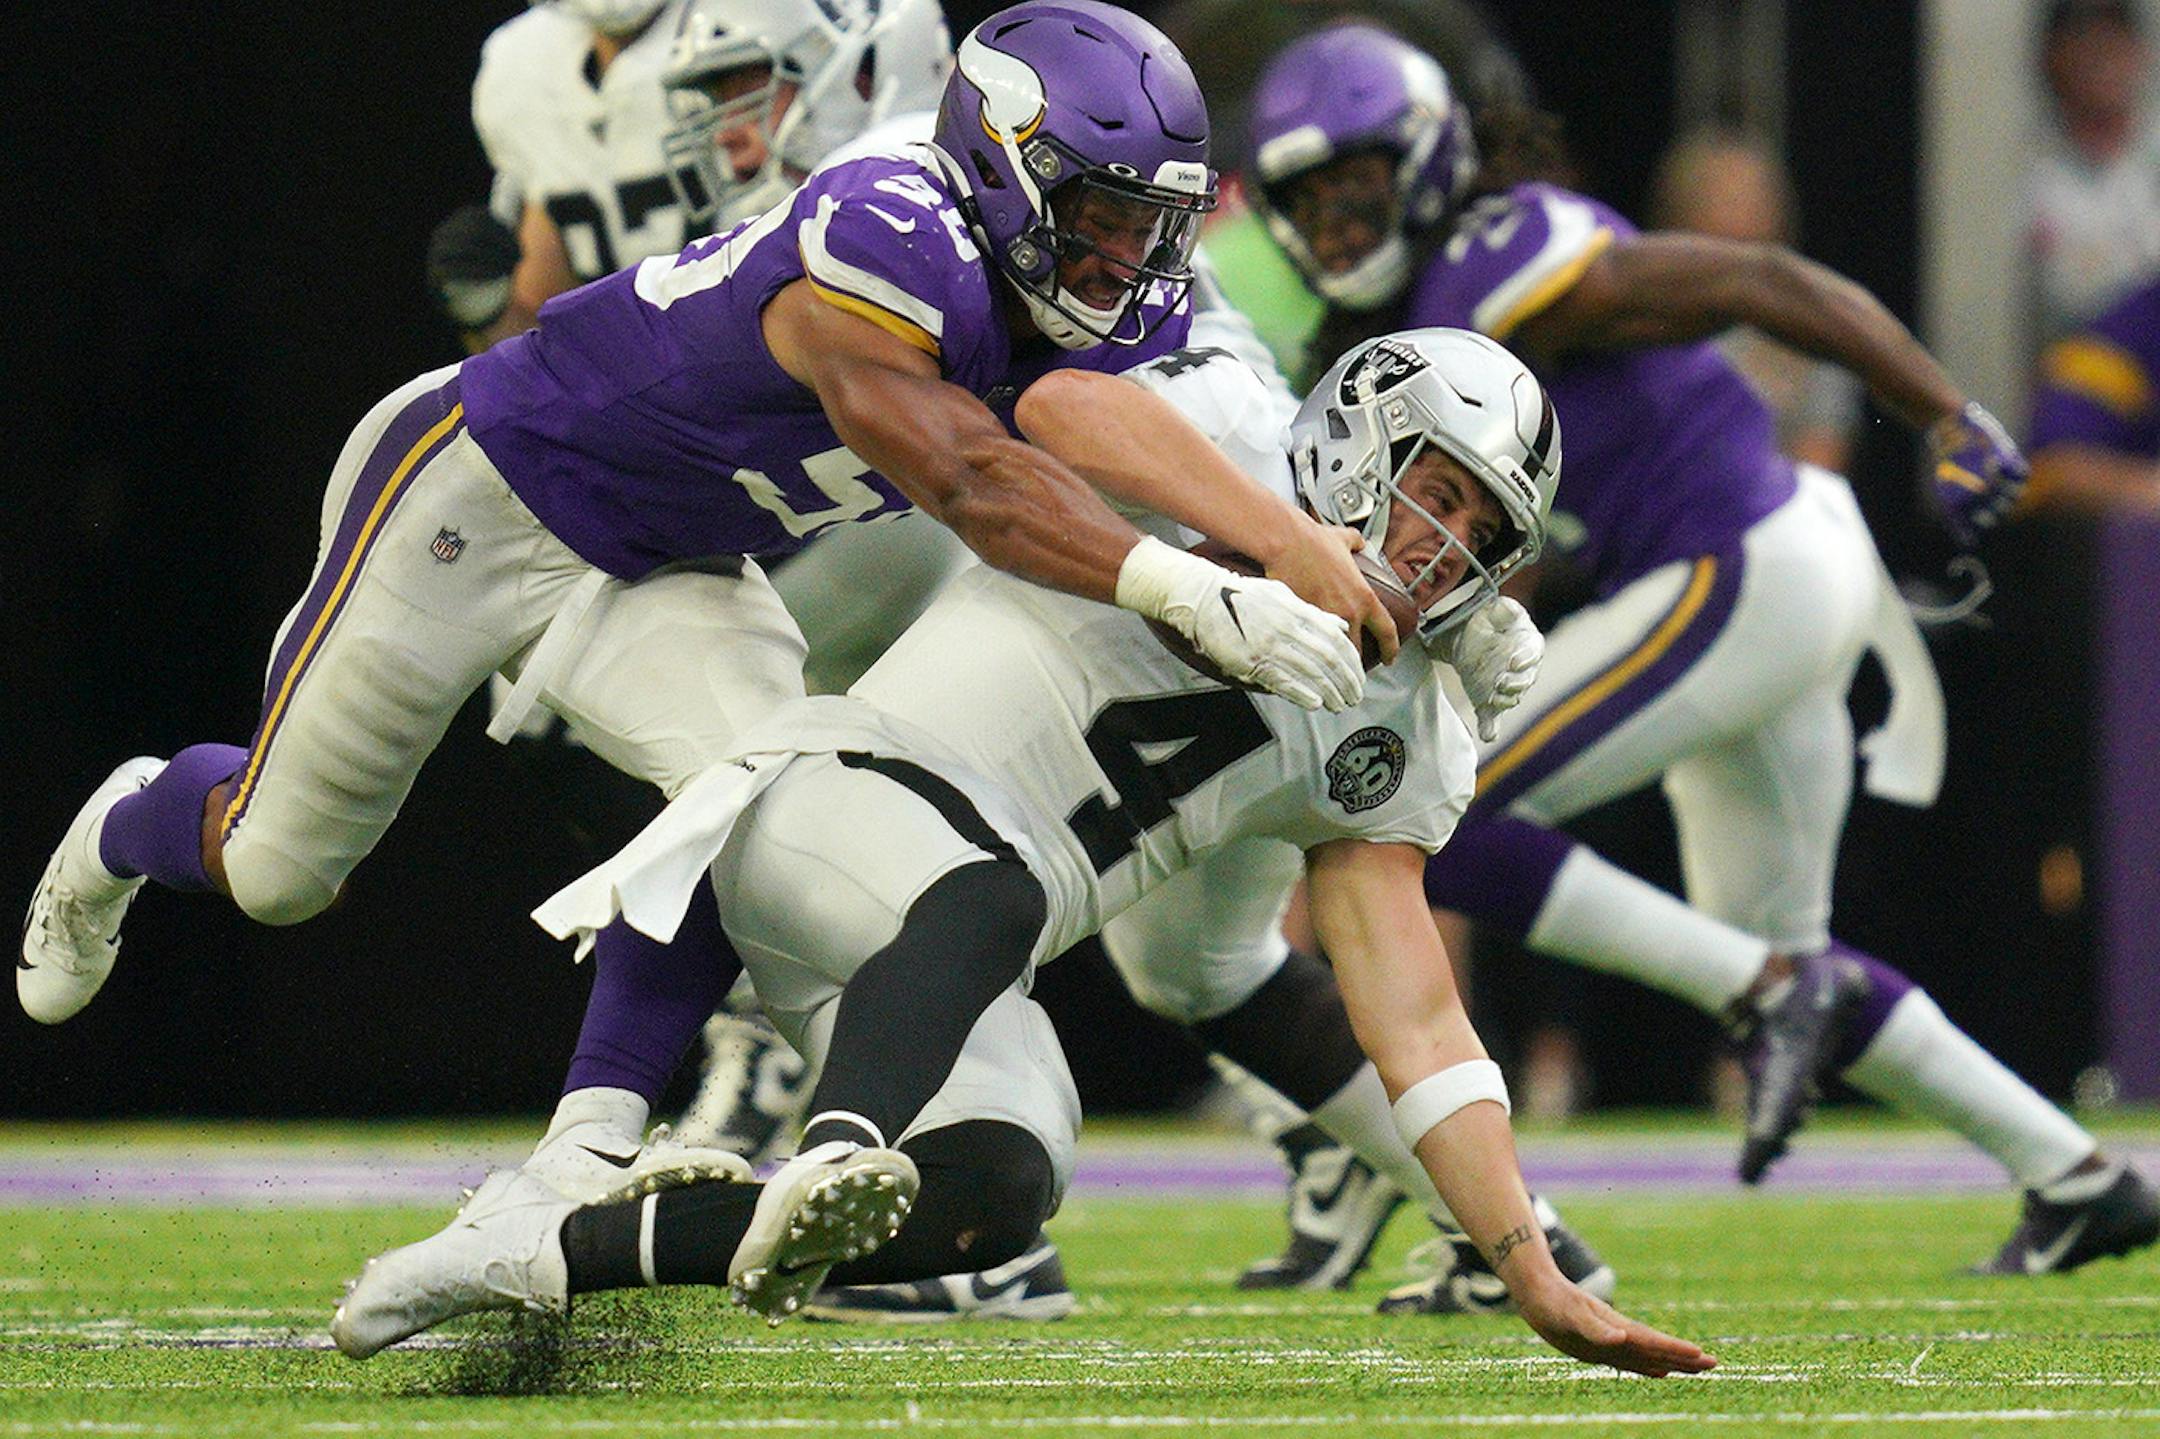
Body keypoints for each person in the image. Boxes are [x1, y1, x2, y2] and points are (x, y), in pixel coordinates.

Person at [20, 0, 1389, 1136]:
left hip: (664, 556)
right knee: (276, 866)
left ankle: (587, 1146)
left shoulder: (1054, 273)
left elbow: (1143, 419)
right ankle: (129, 823)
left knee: (760, 818)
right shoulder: (887, 218)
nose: (1118, 257)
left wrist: (1323, 554)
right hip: (482, 487)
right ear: (1002, 159)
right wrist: (1182, 586)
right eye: (1091, 217)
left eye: (1141, 226)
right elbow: (972, 475)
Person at [329, 326, 1716, 1383]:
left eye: (1482, 535)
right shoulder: (1227, 417)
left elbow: (1414, 1011)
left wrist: (1524, 1258)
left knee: (1002, 1185)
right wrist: (1272, 545)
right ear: (1360, 431)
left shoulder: (1406, 721)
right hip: (824, 809)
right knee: (997, 879)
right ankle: (833, 1136)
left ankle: (538, 1250)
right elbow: (1060, 405)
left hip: (936, 971)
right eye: (1435, 493)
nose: (1441, 547)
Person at [1235, 22, 2158, 1297]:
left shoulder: (1494, 258)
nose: (1338, 226)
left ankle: (1499, 1187)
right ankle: (2079, 1176)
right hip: (1760, 575)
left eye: (1356, 190)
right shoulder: (1398, 327)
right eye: (1310, 204)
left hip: (1746, 560)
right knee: (1792, 953)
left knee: (1420, 807)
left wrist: (1941, 408)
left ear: (1429, 161)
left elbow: (1757, 278)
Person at [2027, 0, 2160, 343]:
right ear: (2052, 57)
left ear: (2140, 51)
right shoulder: (2031, 182)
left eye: (2113, 39)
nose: (2101, 57)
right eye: (2084, 40)